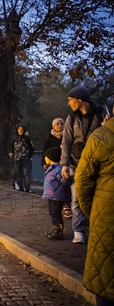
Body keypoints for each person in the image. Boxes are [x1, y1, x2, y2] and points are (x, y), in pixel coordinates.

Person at [75, 108, 113, 306]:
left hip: (106, 215)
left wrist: (93, 214)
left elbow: (83, 180)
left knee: (106, 274)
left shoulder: (99, 137)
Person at [60, 85, 108, 244]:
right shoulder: (71, 118)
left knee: (97, 197)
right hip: (76, 163)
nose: (69, 104)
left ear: (80, 100)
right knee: (76, 199)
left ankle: (95, 229)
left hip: (97, 165)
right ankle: (78, 231)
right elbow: (66, 142)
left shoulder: (102, 114)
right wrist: (64, 164)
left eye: (70, 100)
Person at [41, 147, 71, 240]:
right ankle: (55, 229)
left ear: (52, 158)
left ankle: (59, 231)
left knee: (56, 213)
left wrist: (65, 179)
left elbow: (63, 181)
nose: (45, 158)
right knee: (52, 213)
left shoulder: (58, 169)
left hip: (57, 196)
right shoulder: (50, 168)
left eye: (46, 157)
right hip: (50, 195)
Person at [9, 125, 34, 193]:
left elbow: (32, 148)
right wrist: (11, 152)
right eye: (19, 129)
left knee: (26, 174)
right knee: (18, 174)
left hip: (25, 158)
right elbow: (11, 146)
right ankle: (21, 188)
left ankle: (27, 188)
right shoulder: (14, 138)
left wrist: (29, 156)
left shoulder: (27, 138)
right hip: (16, 159)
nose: (20, 130)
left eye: (21, 129)